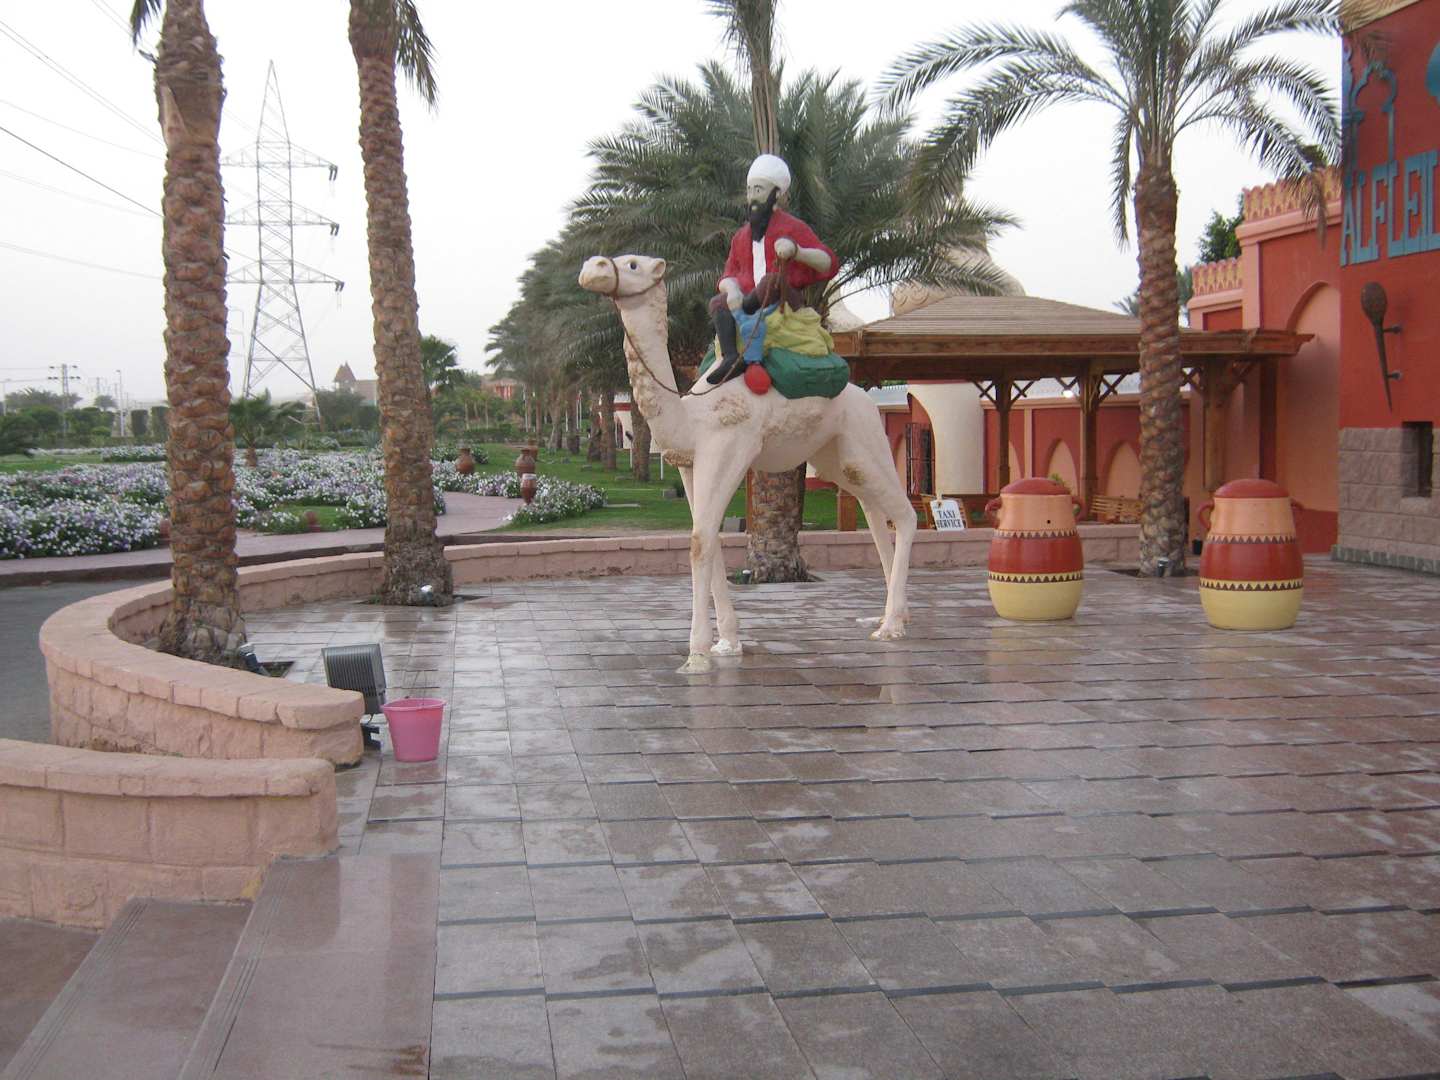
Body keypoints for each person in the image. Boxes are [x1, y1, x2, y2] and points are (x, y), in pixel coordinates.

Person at [707, 154, 837, 385]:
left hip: (782, 299)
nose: (752, 197)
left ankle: (747, 318)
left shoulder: (793, 228)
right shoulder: (741, 237)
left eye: (758, 190)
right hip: (746, 299)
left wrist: (796, 251)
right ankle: (731, 357)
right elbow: (728, 274)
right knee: (718, 302)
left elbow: (829, 262)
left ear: (776, 194)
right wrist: (732, 290)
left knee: (771, 281)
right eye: (749, 190)